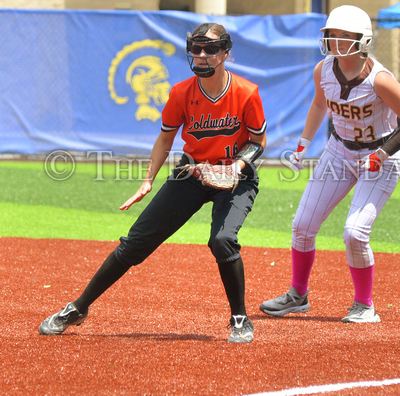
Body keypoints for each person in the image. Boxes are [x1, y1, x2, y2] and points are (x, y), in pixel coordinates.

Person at [39, 23, 267, 343]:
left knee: (222, 240)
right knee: (134, 244)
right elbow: (164, 140)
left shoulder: (246, 92)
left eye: (210, 49)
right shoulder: (181, 93)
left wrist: (237, 167)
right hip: (191, 174)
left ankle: (240, 318)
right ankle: (78, 308)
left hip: (235, 179)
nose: (201, 56)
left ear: (226, 53)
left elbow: (258, 142)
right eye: (196, 49)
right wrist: (148, 180)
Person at [260, 5, 400, 323]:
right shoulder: (323, 69)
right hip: (339, 151)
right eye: (331, 34)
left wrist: (381, 155)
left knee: (354, 233)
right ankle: (297, 295)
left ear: (363, 40)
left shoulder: (380, 80)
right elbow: (320, 104)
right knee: (302, 226)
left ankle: (364, 305)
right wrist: (303, 144)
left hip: (379, 154)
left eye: (344, 35)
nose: (335, 40)